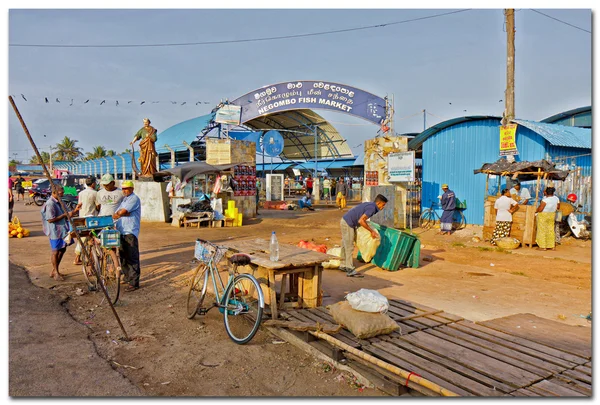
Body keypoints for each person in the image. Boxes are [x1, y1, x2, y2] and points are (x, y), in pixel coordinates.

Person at [339, 194, 388, 277]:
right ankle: (350, 269)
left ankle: (343, 265)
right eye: (383, 205)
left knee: (345, 244)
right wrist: (371, 231)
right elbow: (361, 221)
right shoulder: (372, 208)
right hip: (348, 223)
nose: (383, 207)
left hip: (345, 221)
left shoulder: (370, 205)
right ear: (378, 203)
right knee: (349, 246)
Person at [41, 185, 77, 281]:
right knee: (56, 251)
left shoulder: (60, 202)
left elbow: (68, 212)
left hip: (63, 229)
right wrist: (64, 215)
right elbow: (50, 219)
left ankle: (54, 270)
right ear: (55, 192)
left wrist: (75, 210)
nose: (63, 193)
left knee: (63, 249)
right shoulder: (50, 204)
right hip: (55, 231)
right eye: (61, 192)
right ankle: (56, 272)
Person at [113, 180, 142, 291]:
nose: (124, 190)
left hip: (130, 231)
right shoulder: (125, 199)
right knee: (123, 256)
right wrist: (121, 213)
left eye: (126, 188)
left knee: (132, 257)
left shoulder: (134, 199)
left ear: (132, 189)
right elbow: (118, 212)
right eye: (123, 189)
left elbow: (120, 212)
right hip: (121, 231)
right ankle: (127, 277)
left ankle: (134, 282)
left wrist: (121, 213)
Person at [73, 176, 99, 265]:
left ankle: (77, 257)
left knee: (83, 237)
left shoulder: (81, 193)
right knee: (93, 237)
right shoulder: (95, 193)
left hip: (82, 218)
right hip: (91, 218)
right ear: (93, 184)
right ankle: (89, 258)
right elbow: (98, 206)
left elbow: (79, 204)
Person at [535, 187, 560, 251]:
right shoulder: (556, 198)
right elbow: (558, 207)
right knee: (551, 229)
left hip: (543, 215)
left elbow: (540, 209)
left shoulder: (545, 200)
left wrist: (536, 211)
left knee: (542, 230)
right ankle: (551, 246)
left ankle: (543, 246)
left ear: (546, 192)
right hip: (552, 215)